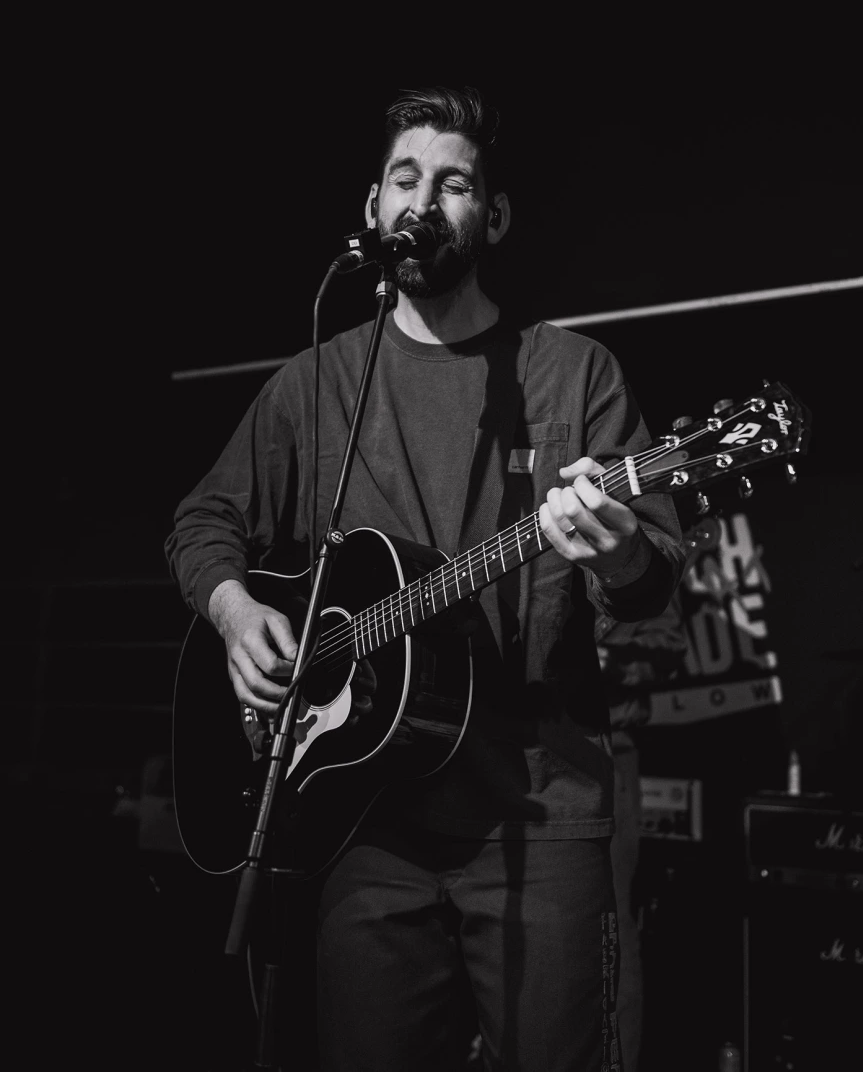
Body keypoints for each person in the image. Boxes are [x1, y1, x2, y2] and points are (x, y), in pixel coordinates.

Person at [165, 85, 686, 1072]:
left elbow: (650, 580)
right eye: (405, 178)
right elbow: (204, 520)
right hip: (363, 823)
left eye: (452, 184)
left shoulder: (574, 377)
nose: (423, 199)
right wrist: (235, 612)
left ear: (490, 217)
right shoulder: (315, 383)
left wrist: (612, 547)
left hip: (541, 811)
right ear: (371, 208)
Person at [597, 596, 688, 1072]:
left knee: (614, 919)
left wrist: (604, 662)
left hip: (610, 747)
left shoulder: (633, 537)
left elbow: (669, 646)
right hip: (525, 747)